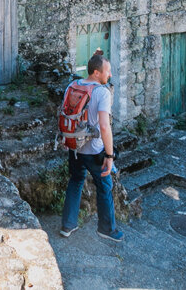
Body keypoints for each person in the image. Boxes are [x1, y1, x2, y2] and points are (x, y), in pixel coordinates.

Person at [59, 48, 124, 242]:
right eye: (107, 70)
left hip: (74, 146)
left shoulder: (73, 85)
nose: (110, 74)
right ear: (97, 72)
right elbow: (104, 126)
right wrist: (110, 156)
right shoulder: (102, 92)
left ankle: (67, 225)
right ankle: (107, 229)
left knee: (76, 181)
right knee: (105, 186)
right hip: (94, 150)